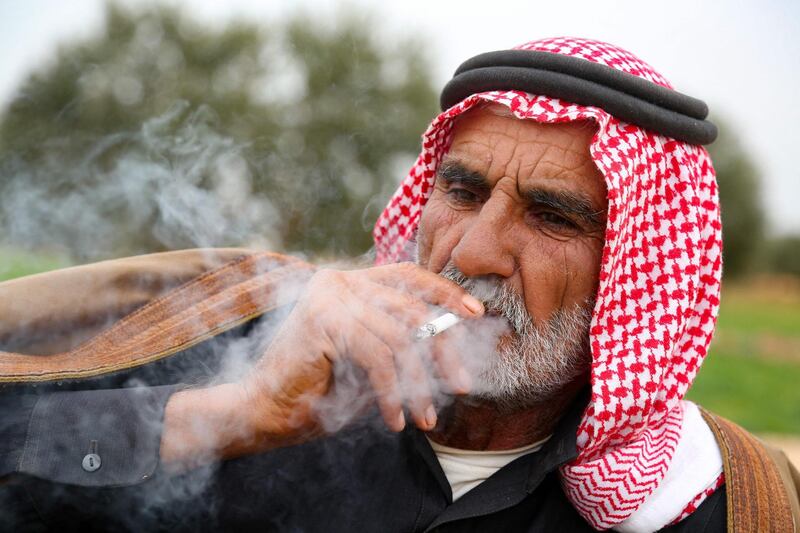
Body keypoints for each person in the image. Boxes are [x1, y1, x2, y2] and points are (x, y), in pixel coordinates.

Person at [0, 37, 795, 532]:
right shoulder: (262, 364)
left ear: (634, 274)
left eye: (551, 217)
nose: (476, 250)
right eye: (461, 191)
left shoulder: (727, 506)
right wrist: (232, 414)